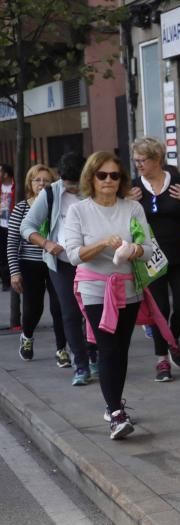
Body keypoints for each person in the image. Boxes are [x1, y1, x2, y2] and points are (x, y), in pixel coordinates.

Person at [62, 151, 154, 439]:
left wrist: (133, 249)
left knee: (121, 349)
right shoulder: (79, 210)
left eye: (115, 175)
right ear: (91, 177)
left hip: (127, 286)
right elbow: (74, 254)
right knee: (108, 348)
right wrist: (103, 243)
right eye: (102, 175)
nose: (109, 180)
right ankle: (116, 412)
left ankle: (113, 402)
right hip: (95, 289)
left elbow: (149, 248)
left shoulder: (132, 208)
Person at [20, 151, 99, 386]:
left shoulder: (93, 190)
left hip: (92, 261)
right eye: (69, 184)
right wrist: (46, 243)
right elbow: (27, 226)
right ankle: (81, 365)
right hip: (62, 264)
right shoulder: (51, 193)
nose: (73, 189)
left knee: (94, 311)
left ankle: (94, 355)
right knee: (71, 313)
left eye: (77, 184)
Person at [131, 137, 180, 381]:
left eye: (143, 160)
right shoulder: (133, 187)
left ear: (157, 159)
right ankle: (162, 361)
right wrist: (127, 203)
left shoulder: (179, 184)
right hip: (150, 258)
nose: (138, 165)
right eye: (136, 160)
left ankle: (173, 337)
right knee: (159, 309)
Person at [7, 164, 68, 364]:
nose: (41, 184)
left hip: (55, 261)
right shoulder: (22, 208)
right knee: (34, 307)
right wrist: (14, 272)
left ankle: (61, 349)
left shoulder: (57, 206)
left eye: (46, 180)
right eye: (37, 180)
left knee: (59, 306)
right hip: (30, 264)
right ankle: (27, 336)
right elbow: (12, 243)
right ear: (30, 183)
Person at [1, 164, 15, 297]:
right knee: (3, 255)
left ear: (6, 174)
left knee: (15, 252)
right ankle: (5, 281)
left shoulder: (16, 186)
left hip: (13, 224)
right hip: (1, 225)